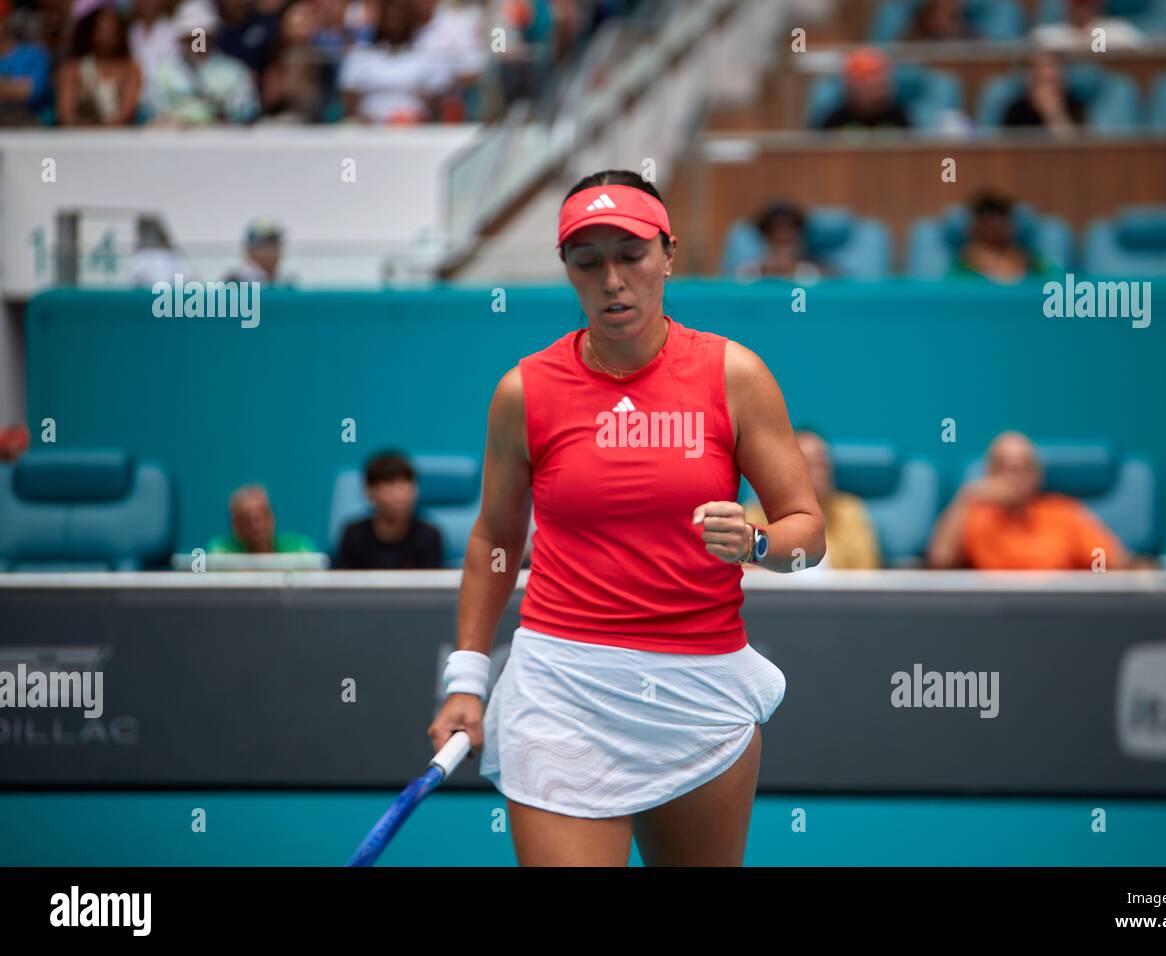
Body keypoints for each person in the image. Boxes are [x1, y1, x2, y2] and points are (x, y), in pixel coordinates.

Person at [426, 169, 826, 866]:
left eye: (632, 255)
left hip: (700, 684)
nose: (612, 279)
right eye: (589, 262)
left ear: (668, 254)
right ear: (569, 271)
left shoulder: (734, 376)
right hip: (561, 685)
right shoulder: (524, 392)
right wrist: (466, 680)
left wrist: (756, 542)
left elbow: (809, 536)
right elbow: (495, 537)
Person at [926, 431, 1138, 570]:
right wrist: (967, 496)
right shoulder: (975, 517)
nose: (1013, 477)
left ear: (1037, 475)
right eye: (1004, 467)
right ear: (989, 473)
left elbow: (1113, 562)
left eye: (1023, 468)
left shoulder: (1064, 514)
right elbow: (941, 561)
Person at [745, 427, 881, 570]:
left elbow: (866, 569)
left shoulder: (849, 510)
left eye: (823, 464)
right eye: (808, 463)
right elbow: (743, 569)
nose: (819, 472)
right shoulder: (754, 514)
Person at [150, 0, 260, 124]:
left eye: (202, 34)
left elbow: (246, 111)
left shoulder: (235, 72)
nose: (198, 40)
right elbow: (151, 108)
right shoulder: (165, 71)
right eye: (192, 35)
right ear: (182, 38)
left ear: (213, 34)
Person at [338, 0, 448, 123]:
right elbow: (350, 95)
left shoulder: (427, 56)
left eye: (400, 19)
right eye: (389, 19)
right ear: (380, 20)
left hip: (417, 129)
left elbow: (436, 99)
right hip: (368, 129)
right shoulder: (361, 55)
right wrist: (363, 119)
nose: (394, 24)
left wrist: (417, 118)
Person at [334, 451, 444, 569]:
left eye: (406, 484)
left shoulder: (428, 537)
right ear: (370, 491)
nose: (401, 494)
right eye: (390, 484)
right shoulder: (353, 536)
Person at [57, 2, 142, 126]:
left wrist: (104, 133)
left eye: (113, 30)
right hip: (77, 137)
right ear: (91, 32)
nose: (107, 36)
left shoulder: (130, 69)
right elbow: (66, 115)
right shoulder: (72, 69)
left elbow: (125, 114)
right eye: (102, 30)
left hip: (118, 138)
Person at [951, 190, 1051, 282]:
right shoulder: (962, 265)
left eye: (1001, 224)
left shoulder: (1030, 260)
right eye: (988, 224)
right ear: (974, 228)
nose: (995, 230)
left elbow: (1053, 279)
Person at [818, 46, 910, 131]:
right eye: (867, 83)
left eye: (882, 83)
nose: (877, 89)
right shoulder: (836, 119)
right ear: (852, 86)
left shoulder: (898, 116)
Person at [207, 484, 317, 553]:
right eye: (247, 521)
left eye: (262, 516)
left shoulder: (299, 548)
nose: (257, 527)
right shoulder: (221, 550)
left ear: (272, 517)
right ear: (235, 526)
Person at [1001, 48, 1084, 134]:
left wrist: (1054, 115)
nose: (1046, 73)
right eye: (1036, 67)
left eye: (1051, 65)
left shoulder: (1077, 106)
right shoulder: (1015, 111)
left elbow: (1075, 146)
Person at [736, 200, 824, 280]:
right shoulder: (748, 272)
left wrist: (795, 269)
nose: (783, 236)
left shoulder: (816, 270)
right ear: (766, 235)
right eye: (776, 229)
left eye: (790, 228)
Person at [0, 6, 51, 126]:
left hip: (24, 123)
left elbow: (32, 92)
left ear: (7, 21)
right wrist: (13, 86)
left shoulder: (35, 54)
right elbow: (22, 89)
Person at [1032, 0, 1147, 52]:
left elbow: (1147, 55)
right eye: (1077, 2)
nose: (1082, 6)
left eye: (1086, 2)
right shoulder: (1044, 35)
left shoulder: (1121, 31)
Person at [224, 218, 292, 283]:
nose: (269, 252)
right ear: (249, 250)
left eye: (273, 245)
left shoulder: (290, 281)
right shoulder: (235, 281)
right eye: (263, 246)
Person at [905, 0, 975, 42]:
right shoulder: (914, 37)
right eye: (935, 14)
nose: (940, 21)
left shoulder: (970, 35)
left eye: (951, 17)